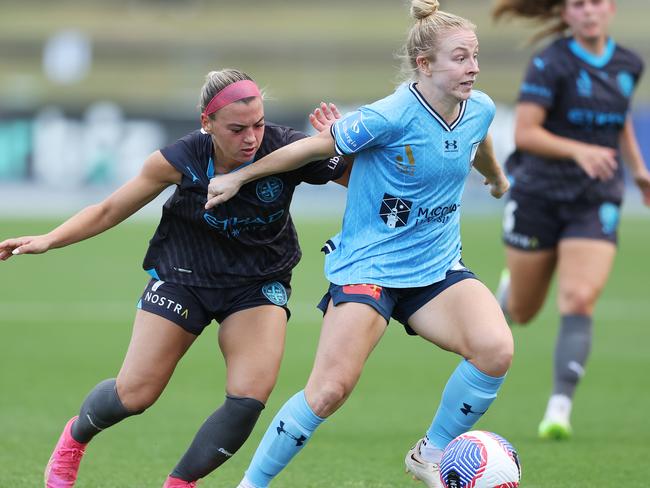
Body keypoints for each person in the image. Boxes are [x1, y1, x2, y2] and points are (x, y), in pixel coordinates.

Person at [204, 2, 513, 487]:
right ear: (425, 65)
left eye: (475, 56)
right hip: (369, 267)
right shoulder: (389, 116)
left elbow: (480, 139)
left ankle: (428, 455)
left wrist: (496, 178)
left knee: (495, 350)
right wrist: (239, 177)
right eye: (459, 57)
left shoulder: (480, 107)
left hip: (435, 268)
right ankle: (252, 485)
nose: (472, 67)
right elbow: (311, 148)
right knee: (328, 391)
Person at [0, 69, 350, 488]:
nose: (251, 138)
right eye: (237, 129)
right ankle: (75, 437)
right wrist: (48, 240)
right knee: (135, 395)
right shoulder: (180, 158)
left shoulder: (286, 147)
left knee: (248, 398)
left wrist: (341, 147)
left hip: (257, 284)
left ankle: (179, 483)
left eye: (257, 124)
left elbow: (357, 180)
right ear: (207, 124)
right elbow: (109, 210)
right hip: (184, 276)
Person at [491, 0, 649, 440]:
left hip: (595, 197)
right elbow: (525, 134)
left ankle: (558, 409)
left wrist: (636, 169)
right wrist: (578, 150)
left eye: (596, 2)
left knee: (579, 298)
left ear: (611, 8)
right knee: (523, 309)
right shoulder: (550, 62)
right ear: (566, 13)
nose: (588, 11)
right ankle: (508, 292)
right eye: (578, 4)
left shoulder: (628, 63)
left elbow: (618, 121)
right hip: (539, 195)